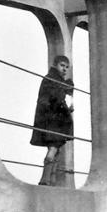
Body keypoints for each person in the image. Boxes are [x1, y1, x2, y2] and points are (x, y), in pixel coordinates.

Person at [30, 55, 74, 185]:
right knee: (54, 148)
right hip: (54, 120)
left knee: (56, 148)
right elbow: (57, 99)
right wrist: (67, 105)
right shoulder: (53, 80)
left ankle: (50, 180)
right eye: (62, 66)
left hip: (52, 119)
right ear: (55, 65)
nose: (65, 69)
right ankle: (45, 180)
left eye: (67, 67)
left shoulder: (53, 79)